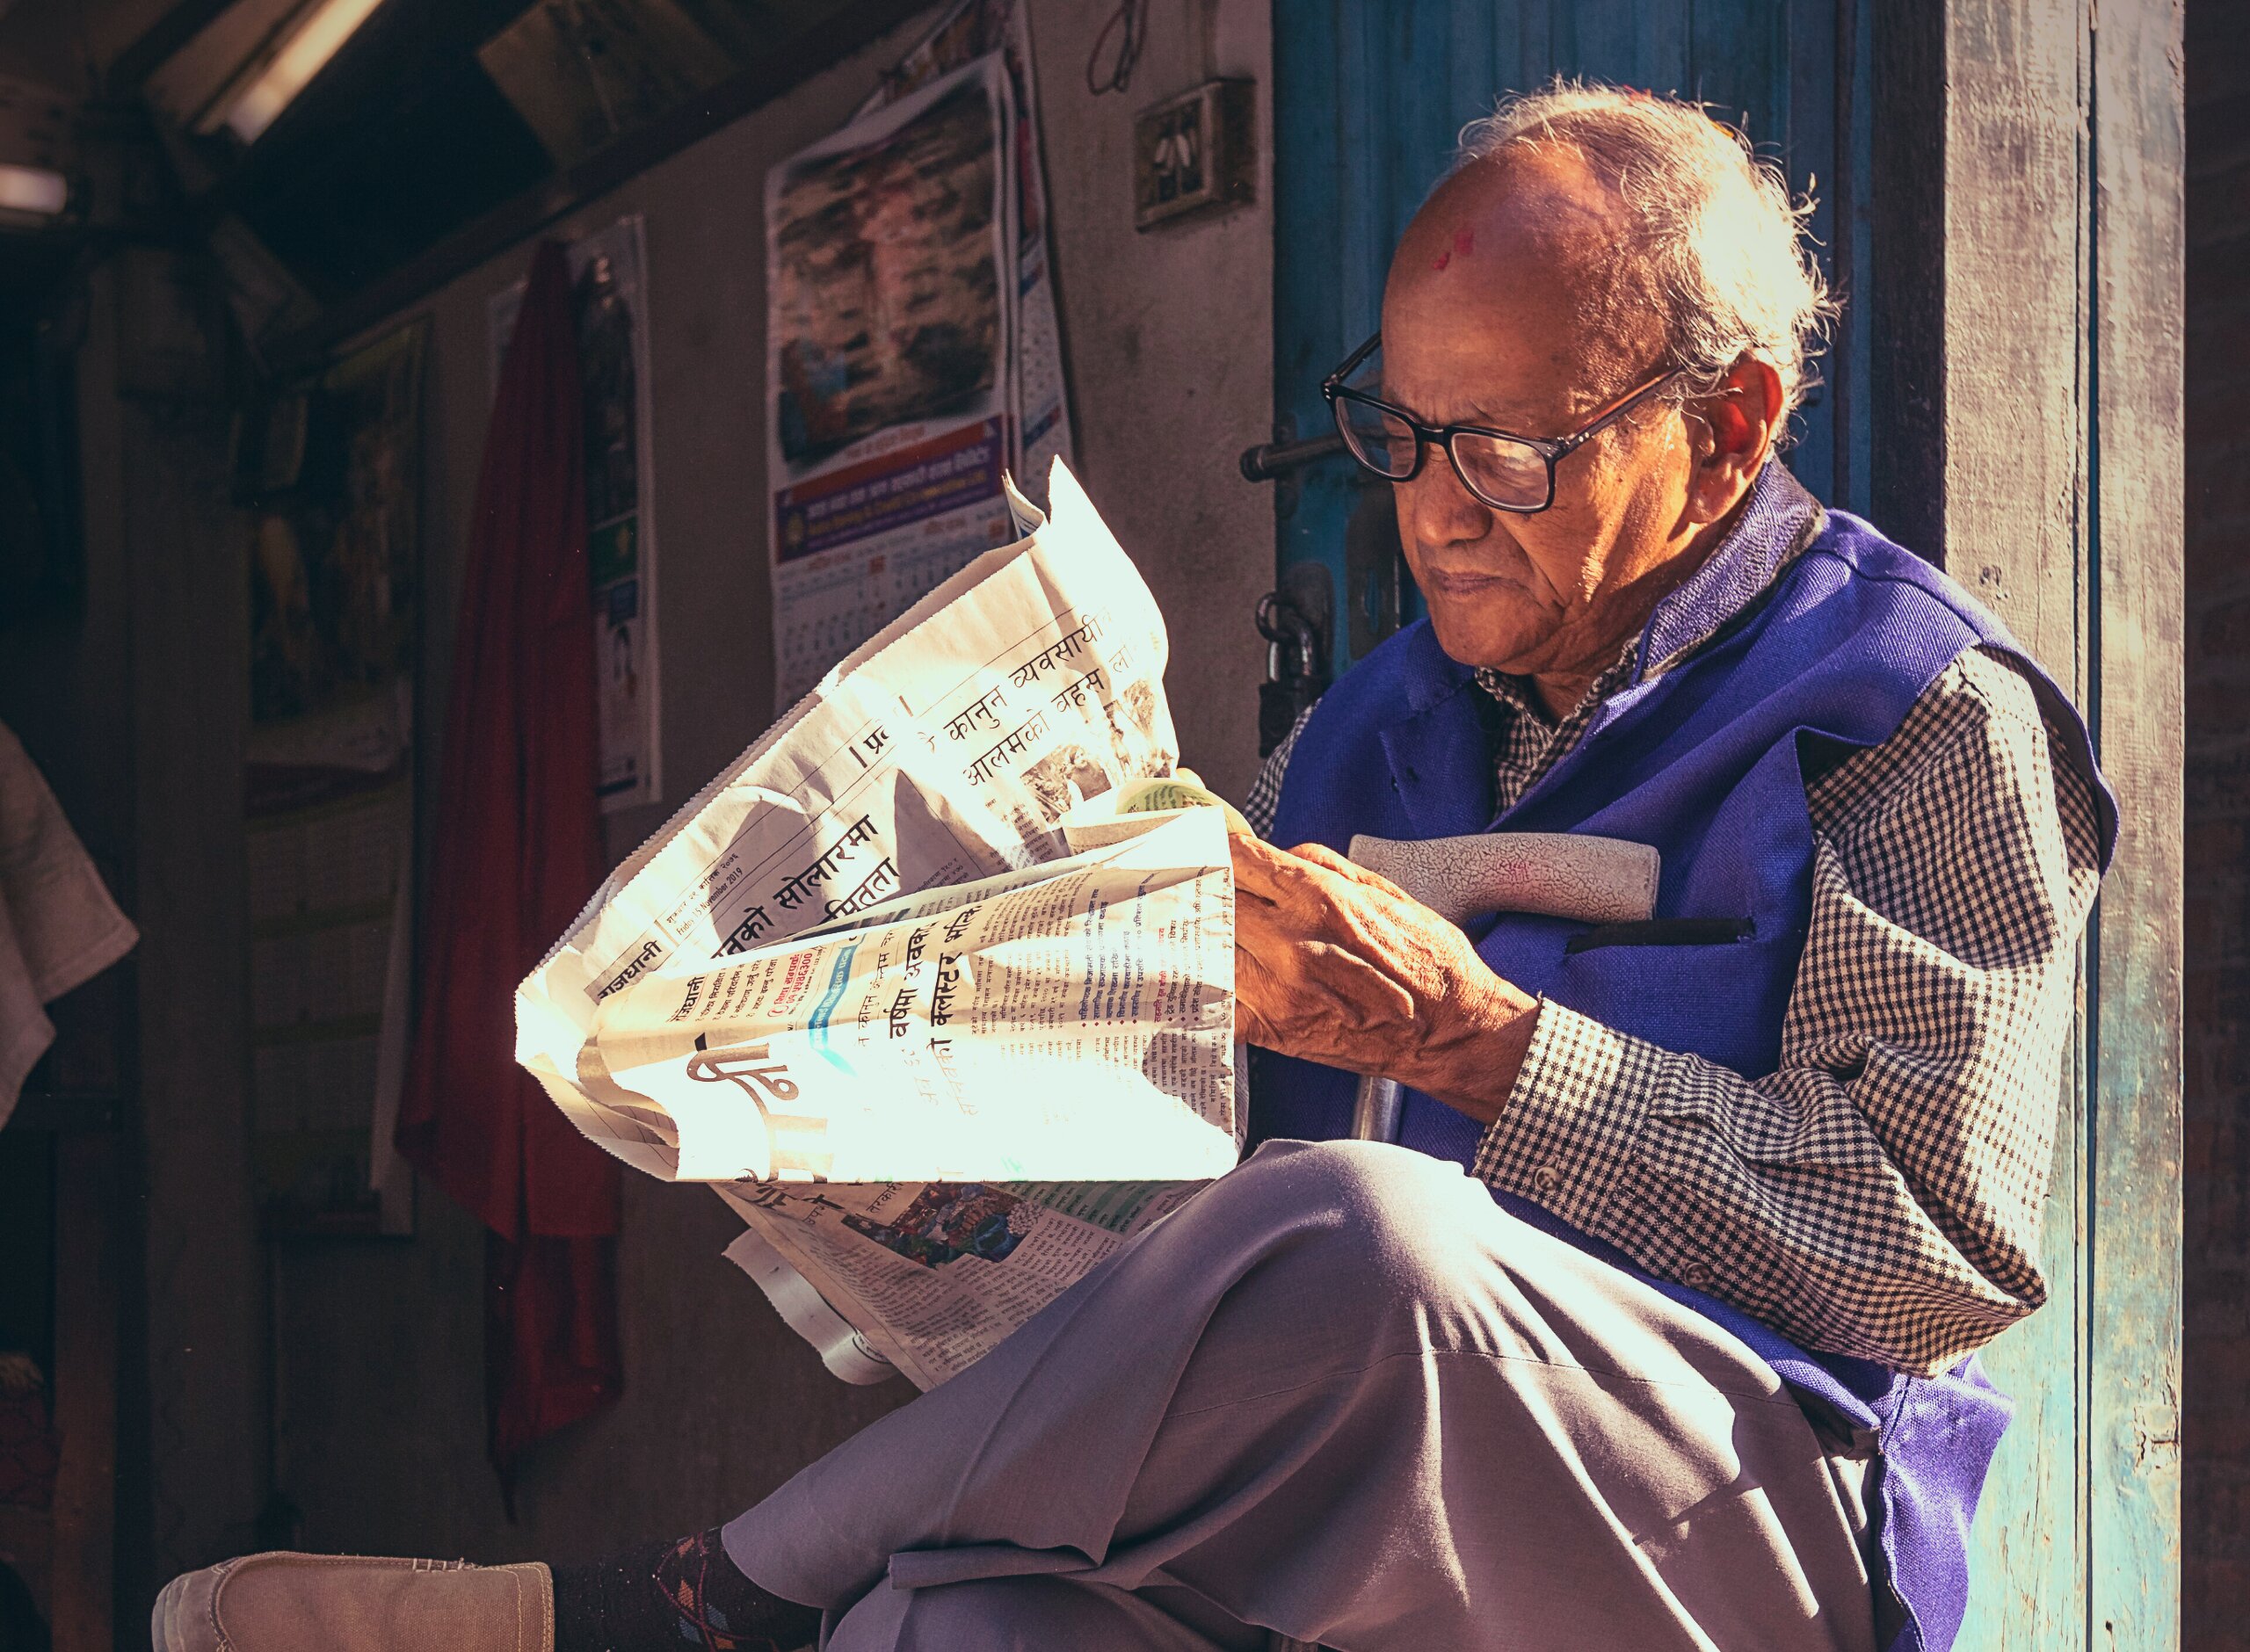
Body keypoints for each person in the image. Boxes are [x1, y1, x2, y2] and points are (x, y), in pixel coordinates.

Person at [153, 83, 2112, 1652]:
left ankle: (690, 1601)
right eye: (1399, 436)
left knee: (1370, 1239)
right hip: (1368, 1491)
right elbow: (1213, 1210)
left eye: (1505, 451)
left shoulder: (1914, 719)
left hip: (1736, 1520)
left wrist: (1493, 1050)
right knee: (951, 1611)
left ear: (1728, 423)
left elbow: (1921, 1256)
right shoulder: (1374, 726)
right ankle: (782, 1608)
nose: (1428, 517)